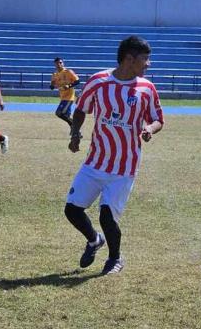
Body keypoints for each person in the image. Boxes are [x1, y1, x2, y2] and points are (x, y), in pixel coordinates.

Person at [64, 36, 164, 275]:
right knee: (72, 210)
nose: (148, 64)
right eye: (145, 59)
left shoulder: (146, 88)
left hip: (125, 166)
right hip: (96, 161)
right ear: (129, 59)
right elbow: (80, 110)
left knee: (107, 215)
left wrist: (149, 129)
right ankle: (94, 240)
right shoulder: (98, 81)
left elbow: (158, 118)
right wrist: (76, 133)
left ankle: (115, 259)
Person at [50, 57, 80, 127]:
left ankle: (74, 124)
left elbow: (77, 81)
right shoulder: (55, 74)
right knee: (67, 116)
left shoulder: (68, 72)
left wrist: (68, 86)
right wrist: (52, 84)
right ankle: (75, 132)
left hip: (69, 98)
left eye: (60, 62)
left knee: (59, 113)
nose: (59, 64)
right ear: (55, 64)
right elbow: (52, 86)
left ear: (63, 63)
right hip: (63, 98)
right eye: (57, 63)